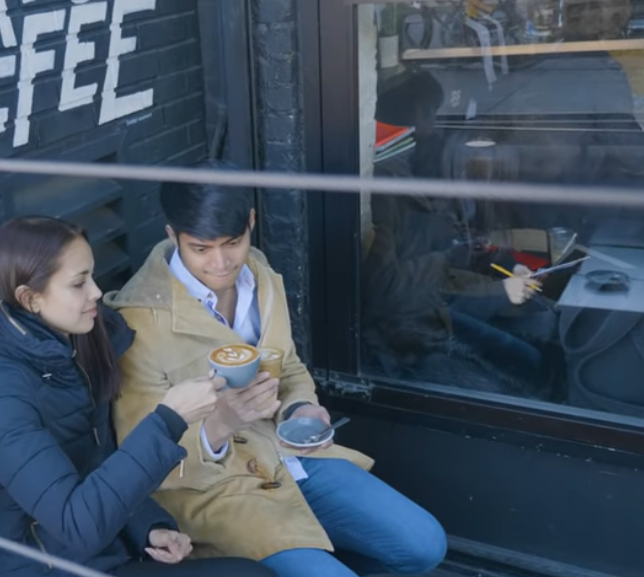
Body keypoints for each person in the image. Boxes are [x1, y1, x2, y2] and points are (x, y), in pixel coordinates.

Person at [105, 164, 448, 577]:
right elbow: (141, 458)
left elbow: (287, 366)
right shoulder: (137, 321)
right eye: (200, 248)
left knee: (425, 545)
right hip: (216, 491)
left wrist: (300, 408)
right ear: (171, 234)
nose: (220, 263)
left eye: (233, 242)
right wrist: (219, 426)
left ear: (251, 221)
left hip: (290, 457)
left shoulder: (260, 275)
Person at [0, 216, 276, 577]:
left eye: (91, 275)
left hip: (99, 560)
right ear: (31, 299)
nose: (95, 292)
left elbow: (97, 469)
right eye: (78, 283)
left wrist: (150, 527)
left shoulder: (73, 351)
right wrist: (168, 419)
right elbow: (76, 523)